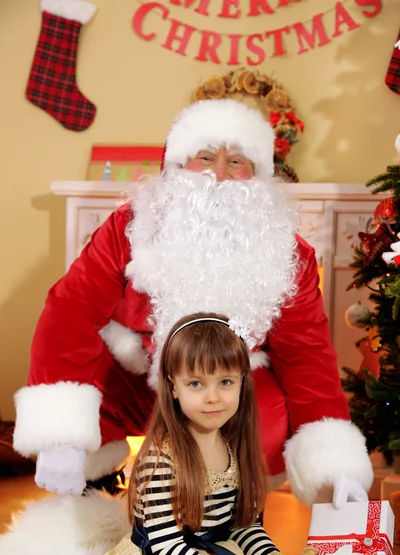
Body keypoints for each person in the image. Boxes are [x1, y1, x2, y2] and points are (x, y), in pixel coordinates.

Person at [13, 98, 373, 503]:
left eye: (237, 161)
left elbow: (306, 355)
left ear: (259, 176)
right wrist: (61, 434)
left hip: (227, 388)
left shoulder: (290, 254)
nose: (219, 174)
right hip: (140, 380)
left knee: (267, 413)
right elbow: (70, 312)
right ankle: (91, 489)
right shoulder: (128, 228)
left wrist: (334, 462)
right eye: (205, 157)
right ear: (178, 166)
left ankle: (228, 509)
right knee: (89, 364)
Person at [58, 312, 307, 555]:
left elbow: (244, 524)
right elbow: (169, 551)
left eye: (225, 382)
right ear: (174, 386)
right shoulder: (162, 457)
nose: (212, 397)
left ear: (242, 382)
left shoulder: (235, 447)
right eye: (196, 384)